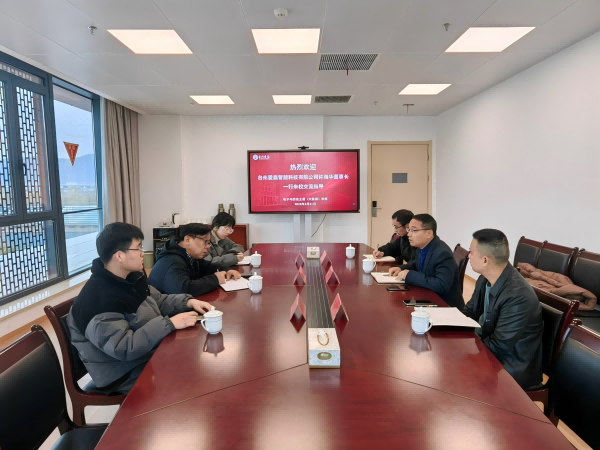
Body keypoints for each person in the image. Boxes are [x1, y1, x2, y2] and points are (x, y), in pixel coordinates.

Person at [67, 222, 212, 394]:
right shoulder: (98, 299)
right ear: (119, 256)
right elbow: (124, 347)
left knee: (197, 355)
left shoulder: (129, 278)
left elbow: (157, 300)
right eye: (138, 248)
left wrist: (188, 302)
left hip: (145, 354)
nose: (143, 253)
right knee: (188, 377)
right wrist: (169, 323)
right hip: (122, 372)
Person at [463, 229, 543, 389]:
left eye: (471, 252)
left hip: (511, 366)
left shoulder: (517, 296)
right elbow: (469, 312)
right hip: (489, 350)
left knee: (456, 376)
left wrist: (464, 352)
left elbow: (498, 347)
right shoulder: (484, 278)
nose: (468, 256)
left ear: (485, 260)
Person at [388, 214, 464, 310]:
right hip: (428, 298)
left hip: (444, 306)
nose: (409, 234)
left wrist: (410, 275)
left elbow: (442, 285)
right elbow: (416, 264)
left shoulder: (442, 253)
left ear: (429, 233)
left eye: (413, 230)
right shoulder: (422, 247)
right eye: (408, 230)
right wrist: (401, 268)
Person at [148, 223, 241, 297]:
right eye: (205, 241)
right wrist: (215, 279)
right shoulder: (171, 261)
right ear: (187, 240)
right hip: (165, 313)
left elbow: (208, 266)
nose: (208, 246)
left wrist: (226, 270)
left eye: (209, 243)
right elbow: (184, 289)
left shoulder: (189, 255)